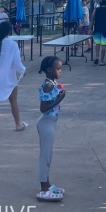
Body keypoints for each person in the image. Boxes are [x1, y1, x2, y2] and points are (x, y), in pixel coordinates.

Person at [0, 20, 28, 135]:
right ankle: (18, 124)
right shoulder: (13, 44)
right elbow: (16, 62)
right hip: (8, 77)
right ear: (9, 31)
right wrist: (23, 71)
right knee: (13, 100)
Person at [37, 56, 67, 201]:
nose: (60, 71)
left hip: (51, 122)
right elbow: (43, 108)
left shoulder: (52, 83)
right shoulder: (47, 85)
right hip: (46, 122)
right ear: (49, 70)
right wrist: (60, 98)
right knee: (45, 156)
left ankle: (47, 184)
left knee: (48, 154)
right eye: (58, 68)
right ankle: (43, 188)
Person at [92, 0, 106, 66]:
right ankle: (102, 61)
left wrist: (90, 28)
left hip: (97, 28)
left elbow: (92, 18)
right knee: (103, 45)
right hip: (105, 30)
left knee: (97, 44)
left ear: (100, 4)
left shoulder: (96, 9)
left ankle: (97, 57)